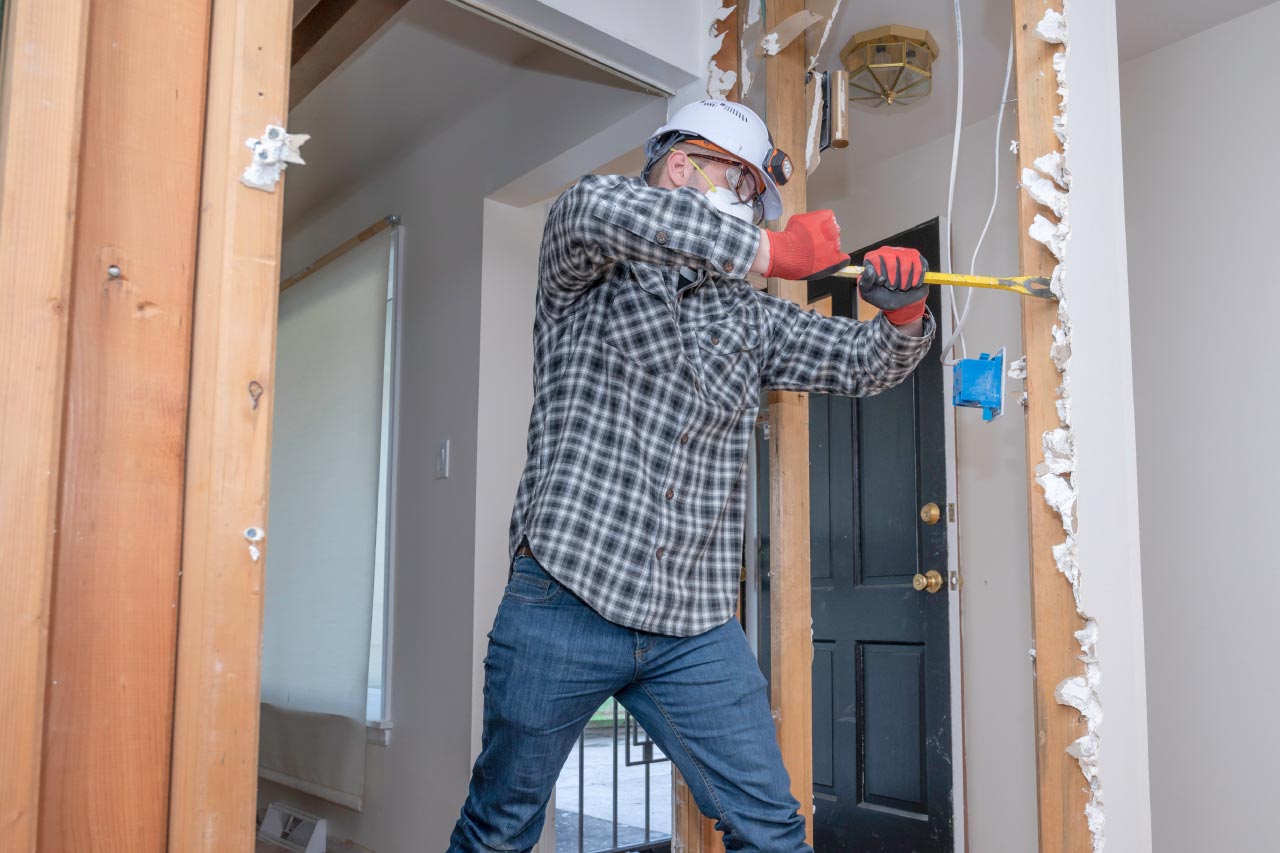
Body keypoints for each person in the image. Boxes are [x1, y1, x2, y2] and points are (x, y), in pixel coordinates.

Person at [447, 99, 933, 853]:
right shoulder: (588, 261)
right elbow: (593, 207)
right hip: (565, 595)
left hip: (695, 621)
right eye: (742, 188)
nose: (750, 214)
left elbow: (861, 363)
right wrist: (772, 252)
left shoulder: (749, 316)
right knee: (499, 825)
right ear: (682, 165)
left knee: (771, 830)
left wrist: (904, 320)